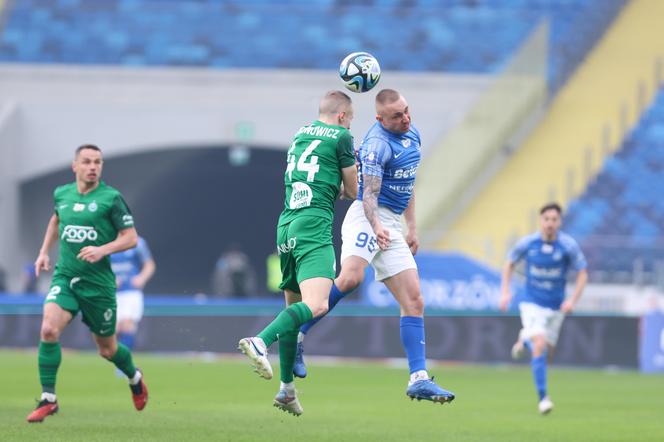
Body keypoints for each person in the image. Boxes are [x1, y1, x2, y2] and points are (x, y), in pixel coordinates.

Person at [293, 89, 455, 405]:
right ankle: (297, 333)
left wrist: (412, 226)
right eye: (397, 116)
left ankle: (418, 379)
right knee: (351, 278)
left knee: (415, 299)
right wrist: (378, 227)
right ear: (380, 118)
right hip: (368, 216)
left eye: (407, 111)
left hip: (392, 221)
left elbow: (408, 183)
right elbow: (367, 196)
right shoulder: (378, 145)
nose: (406, 118)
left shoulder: (413, 133)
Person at [238, 90, 358, 416]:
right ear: (344, 116)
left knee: (293, 311)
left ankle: (287, 390)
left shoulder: (299, 134)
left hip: (287, 224)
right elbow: (352, 190)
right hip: (314, 224)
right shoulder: (342, 136)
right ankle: (260, 341)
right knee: (317, 304)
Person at [27, 144, 148, 423]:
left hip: (99, 285)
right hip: (66, 276)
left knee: (107, 349)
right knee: (47, 329)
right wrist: (44, 251)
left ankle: (134, 377)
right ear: (75, 166)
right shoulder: (62, 193)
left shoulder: (111, 198)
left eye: (97, 162)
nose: (93, 167)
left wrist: (102, 250)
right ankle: (49, 398)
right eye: (87, 162)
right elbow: (56, 221)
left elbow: (130, 238)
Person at [499, 202, 588, 415]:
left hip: (556, 308)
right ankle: (543, 399)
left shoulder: (568, 246)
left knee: (546, 354)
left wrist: (572, 301)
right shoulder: (528, 243)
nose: (550, 223)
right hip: (532, 304)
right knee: (540, 344)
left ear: (560, 222)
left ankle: (524, 340)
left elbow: (583, 272)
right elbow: (509, 263)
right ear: (541, 221)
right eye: (546, 219)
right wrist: (505, 292)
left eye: (554, 219)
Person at [110, 236, 156, 355]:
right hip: (112, 293)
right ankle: (118, 357)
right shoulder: (106, 241)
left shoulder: (138, 242)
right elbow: (99, 266)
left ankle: (124, 360)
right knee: (114, 329)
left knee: (127, 325)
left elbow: (149, 264)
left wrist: (142, 278)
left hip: (131, 292)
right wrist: (110, 279)